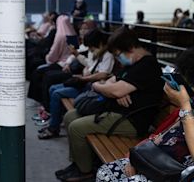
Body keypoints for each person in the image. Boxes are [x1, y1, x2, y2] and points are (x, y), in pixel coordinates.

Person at [57, 27, 165, 181]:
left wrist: (100, 87)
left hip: (132, 121)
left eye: (118, 54)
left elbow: (114, 89)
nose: (119, 59)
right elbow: (111, 82)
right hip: (117, 111)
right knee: (69, 116)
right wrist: (115, 90)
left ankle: (84, 171)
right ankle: (78, 163)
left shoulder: (148, 66)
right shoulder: (133, 63)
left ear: (131, 48)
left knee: (76, 127)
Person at [96, 47, 194, 181]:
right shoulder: (189, 107)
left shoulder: (187, 108)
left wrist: (184, 106)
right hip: (156, 159)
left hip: (175, 173)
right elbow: (164, 134)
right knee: (104, 173)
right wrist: (137, 156)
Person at [38, 29, 114, 139]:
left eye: (91, 46)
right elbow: (89, 65)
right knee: (52, 88)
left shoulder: (107, 55)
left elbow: (103, 74)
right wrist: (77, 54)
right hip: (85, 83)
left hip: (91, 89)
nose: (90, 49)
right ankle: (55, 121)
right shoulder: (96, 52)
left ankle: (53, 128)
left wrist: (85, 77)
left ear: (100, 43)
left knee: (56, 93)